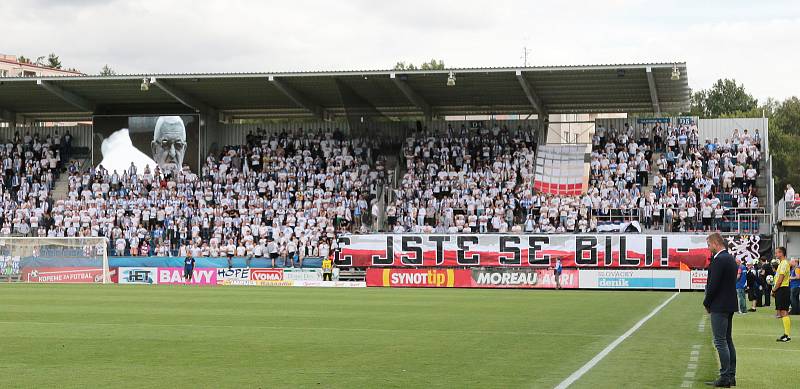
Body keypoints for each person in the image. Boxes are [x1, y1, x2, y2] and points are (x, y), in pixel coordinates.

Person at [703, 233, 738, 388]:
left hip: (719, 305)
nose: (708, 248)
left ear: (716, 243)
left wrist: (707, 302)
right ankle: (730, 375)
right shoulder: (730, 259)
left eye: (709, 245)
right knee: (727, 340)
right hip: (729, 304)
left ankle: (725, 377)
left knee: (720, 341)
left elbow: (713, 285)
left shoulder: (718, 260)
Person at [772, 247, 792, 342]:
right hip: (782, 289)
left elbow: (780, 279)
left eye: (777, 252)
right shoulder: (782, 263)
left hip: (782, 289)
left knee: (784, 312)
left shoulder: (784, 263)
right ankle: (786, 334)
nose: (776, 254)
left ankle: (787, 335)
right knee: (783, 312)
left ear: (781, 253)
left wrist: (774, 289)